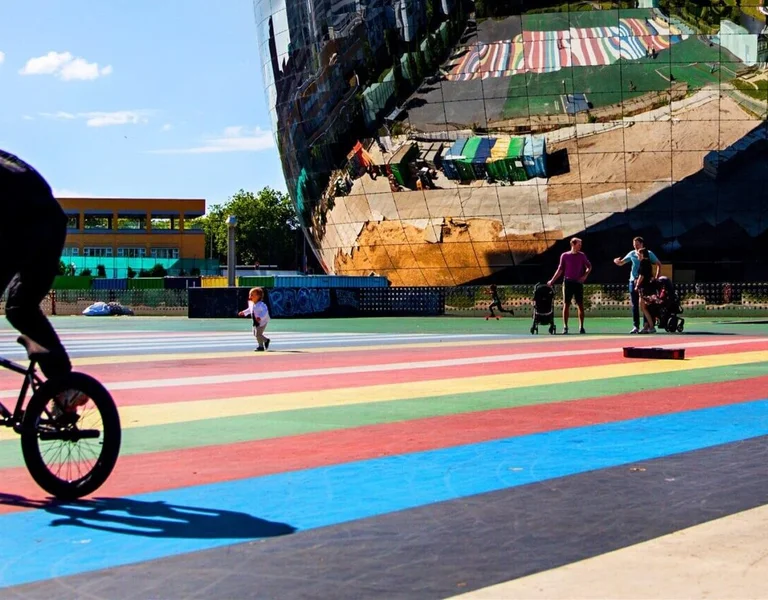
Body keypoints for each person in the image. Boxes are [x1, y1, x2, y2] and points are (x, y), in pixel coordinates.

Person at [0, 149, 72, 380]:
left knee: (21, 307)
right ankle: (62, 386)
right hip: (44, 226)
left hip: (28, 227)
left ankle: (62, 383)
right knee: (20, 309)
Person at [613, 236, 661, 334]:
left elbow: (658, 264)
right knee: (636, 304)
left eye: (637, 245)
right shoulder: (632, 253)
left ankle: (646, 326)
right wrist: (616, 261)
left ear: (642, 244)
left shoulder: (648, 254)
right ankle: (636, 326)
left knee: (644, 304)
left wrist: (656, 277)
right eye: (634, 245)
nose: (636, 247)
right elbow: (622, 262)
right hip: (633, 281)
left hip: (643, 283)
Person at [547, 237, 592, 334]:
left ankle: (581, 327)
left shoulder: (582, 255)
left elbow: (589, 266)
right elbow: (560, 269)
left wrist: (584, 276)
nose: (580, 246)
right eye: (579, 244)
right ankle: (565, 327)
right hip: (568, 282)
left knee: (580, 304)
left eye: (581, 244)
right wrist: (552, 280)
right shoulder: (565, 255)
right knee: (566, 304)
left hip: (578, 283)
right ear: (573, 244)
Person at [239, 287, 271, 351]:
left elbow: (265, 312)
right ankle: (266, 340)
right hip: (255, 321)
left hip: (262, 322)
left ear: (258, 296)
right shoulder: (252, 304)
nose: (250, 296)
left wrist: (260, 317)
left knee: (257, 334)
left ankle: (261, 346)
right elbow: (249, 310)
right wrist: (244, 312)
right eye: (250, 294)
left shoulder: (261, 305)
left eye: (252, 295)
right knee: (255, 333)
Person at [634, 248, 656, 334]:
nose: (637, 256)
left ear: (643, 254)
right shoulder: (648, 263)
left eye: (639, 254)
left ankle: (651, 326)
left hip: (644, 288)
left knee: (642, 307)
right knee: (646, 307)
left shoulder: (643, 262)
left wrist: (637, 285)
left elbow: (641, 276)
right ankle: (647, 326)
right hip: (649, 288)